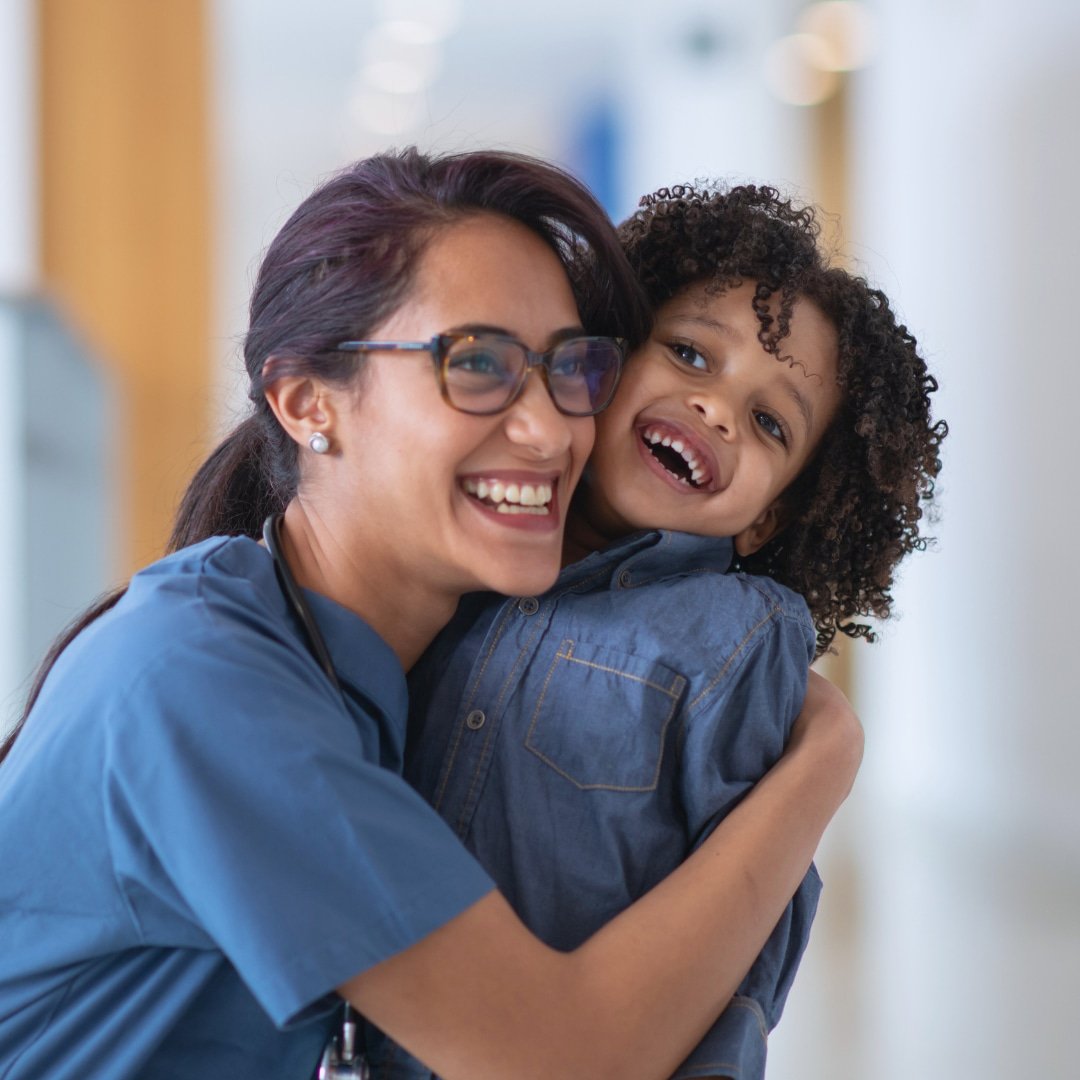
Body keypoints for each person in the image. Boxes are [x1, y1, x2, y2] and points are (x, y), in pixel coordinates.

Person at [0, 152, 861, 1080]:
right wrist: (823, 766)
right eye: (477, 363)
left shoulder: (386, 678)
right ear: (306, 402)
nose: (548, 429)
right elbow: (561, 1058)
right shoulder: (202, 681)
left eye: (569, 369)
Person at [365, 183, 946, 1079]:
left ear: (767, 520)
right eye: (688, 353)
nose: (716, 409)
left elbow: (737, 947)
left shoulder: (738, 639)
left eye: (768, 422)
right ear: (600, 357)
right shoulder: (465, 546)